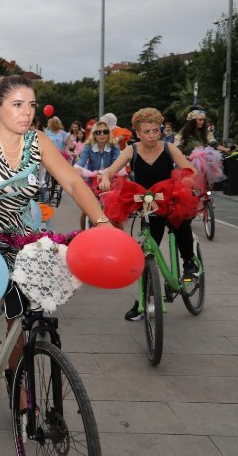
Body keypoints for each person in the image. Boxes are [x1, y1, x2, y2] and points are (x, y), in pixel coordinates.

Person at [0, 75, 110, 383]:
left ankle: (21, 394)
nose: (27, 112)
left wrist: (101, 221)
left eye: (31, 105)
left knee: (19, 310)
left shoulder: (37, 140)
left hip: (21, 229)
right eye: (17, 105)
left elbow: (73, 181)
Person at [100, 108, 197, 321]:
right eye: (146, 131)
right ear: (137, 133)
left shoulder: (170, 148)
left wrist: (188, 179)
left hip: (170, 200)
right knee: (146, 252)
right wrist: (106, 177)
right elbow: (111, 169)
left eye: (155, 130)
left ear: (160, 131)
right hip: (146, 204)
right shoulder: (131, 150)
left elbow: (189, 170)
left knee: (181, 224)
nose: (151, 135)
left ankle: (190, 263)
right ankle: (142, 301)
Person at [74, 119, 120, 229]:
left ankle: (120, 236)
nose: (102, 134)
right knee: (86, 209)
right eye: (98, 132)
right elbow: (80, 164)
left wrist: (104, 173)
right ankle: (82, 233)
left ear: (109, 133)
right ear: (94, 134)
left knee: (115, 212)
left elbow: (117, 164)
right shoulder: (88, 146)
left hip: (110, 182)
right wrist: (78, 169)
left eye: (105, 131)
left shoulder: (115, 146)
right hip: (92, 182)